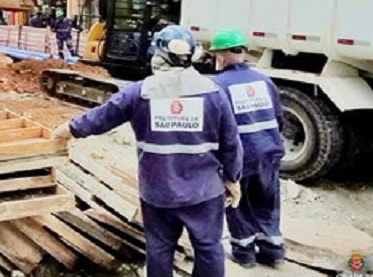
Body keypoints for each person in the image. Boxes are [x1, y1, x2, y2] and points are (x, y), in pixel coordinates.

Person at [52, 25, 244, 277]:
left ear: (158, 54)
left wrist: (66, 130)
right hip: (204, 192)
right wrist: (233, 178)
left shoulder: (140, 92)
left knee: (160, 249)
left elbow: (101, 118)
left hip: (158, 191)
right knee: (208, 247)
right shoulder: (213, 93)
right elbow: (231, 143)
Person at [208, 28, 285, 269]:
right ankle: (273, 251)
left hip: (240, 157)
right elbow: (279, 118)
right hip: (269, 152)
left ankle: (245, 253)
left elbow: (215, 127)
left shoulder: (217, 84)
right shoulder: (264, 81)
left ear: (221, 56)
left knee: (238, 202)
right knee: (267, 200)